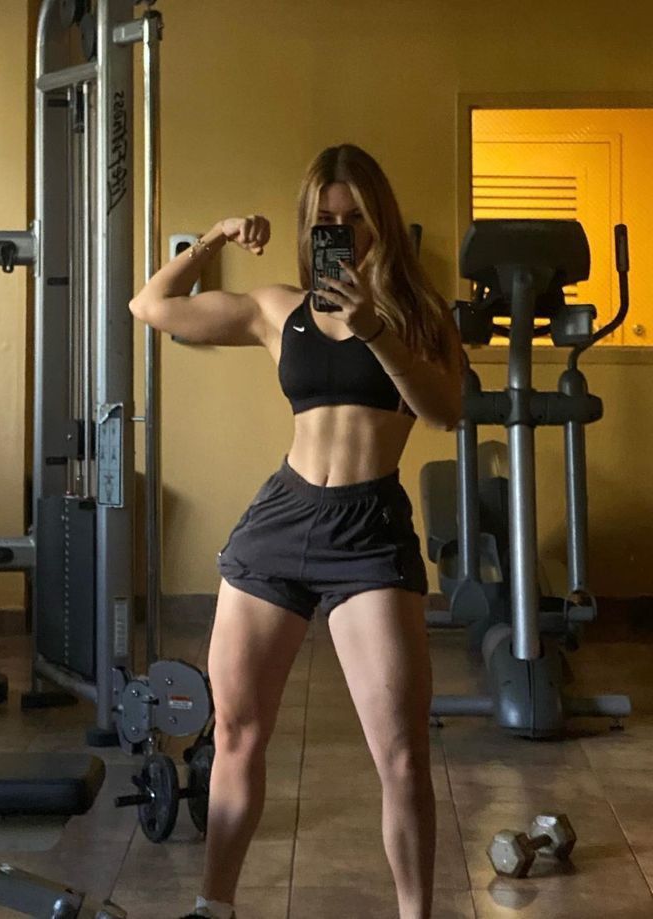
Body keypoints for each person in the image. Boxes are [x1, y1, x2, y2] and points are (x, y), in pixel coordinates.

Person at [129, 144, 463, 919]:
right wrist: (211, 238)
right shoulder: (278, 309)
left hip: (370, 530)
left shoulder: (418, 317)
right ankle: (216, 904)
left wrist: (375, 329)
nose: (342, 231)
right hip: (281, 520)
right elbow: (152, 306)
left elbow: (446, 410)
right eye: (326, 220)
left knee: (403, 753)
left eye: (356, 218)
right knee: (239, 729)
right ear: (311, 226)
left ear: (381, 221)